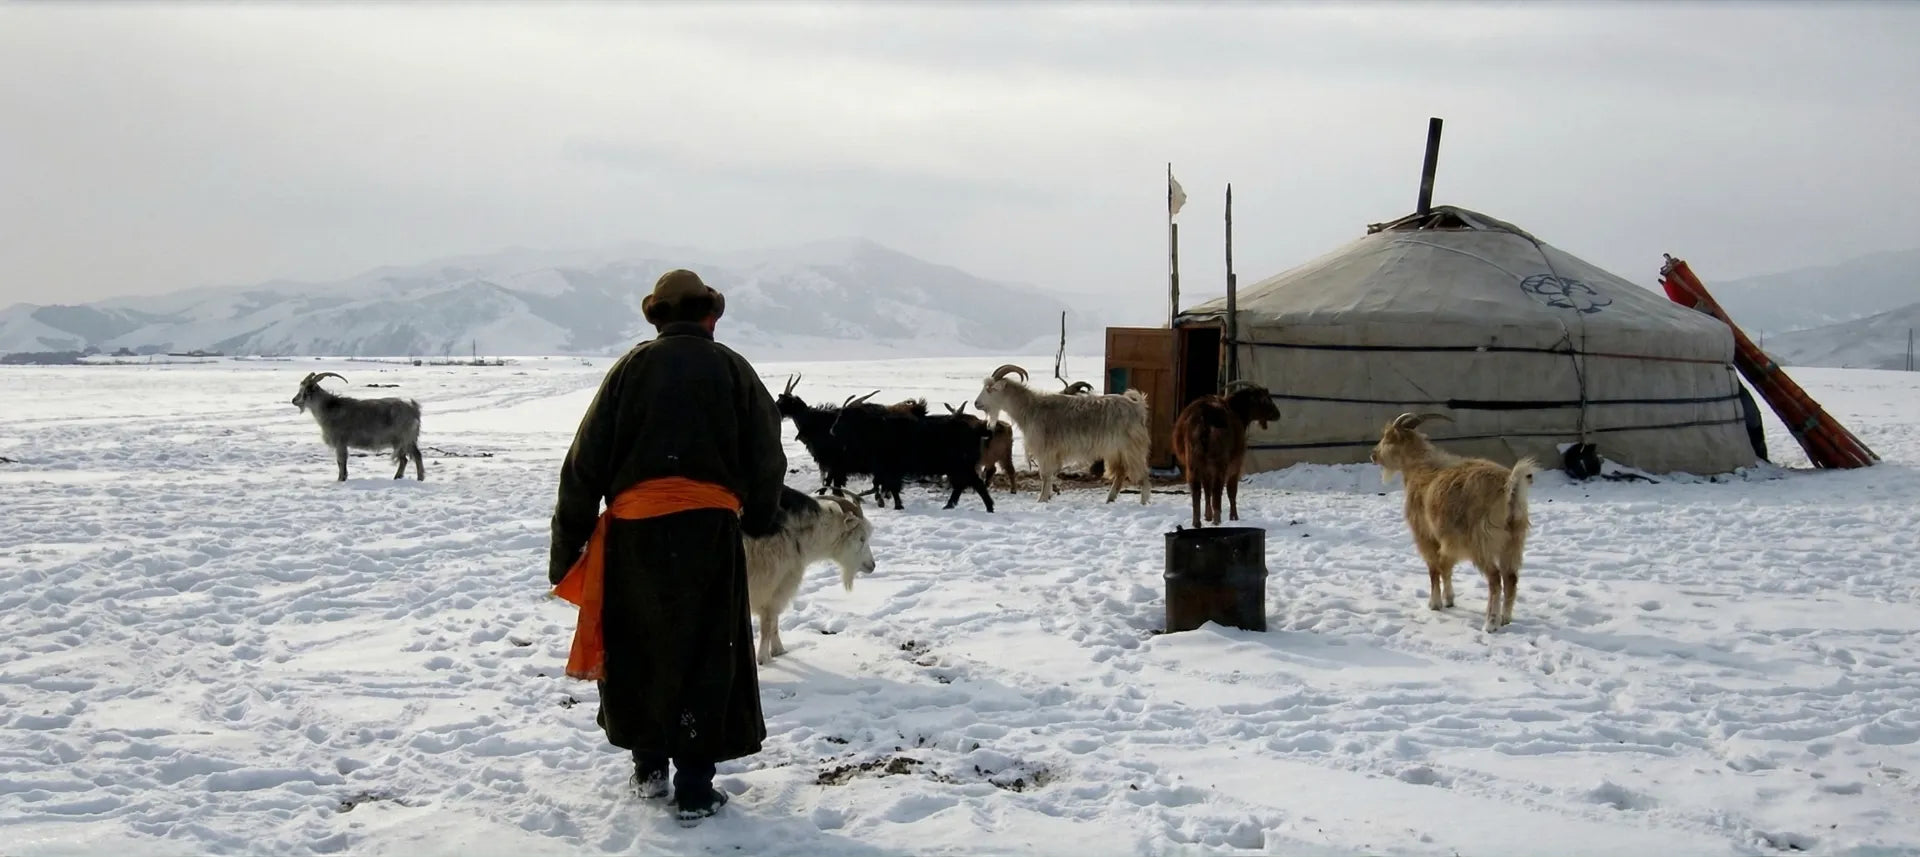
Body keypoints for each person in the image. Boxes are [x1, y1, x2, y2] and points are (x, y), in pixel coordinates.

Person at [547, 268, 788, 825]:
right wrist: (758, 519)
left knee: (639, 648)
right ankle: (697, 789)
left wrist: (567, 549)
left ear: (659, 316)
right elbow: (767, 456)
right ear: (711, 315)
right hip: (709, 535)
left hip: (634, 538)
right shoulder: (733, 369)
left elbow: (583, 467)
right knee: (708, 651)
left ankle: (649, 768)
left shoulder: (628, 371)